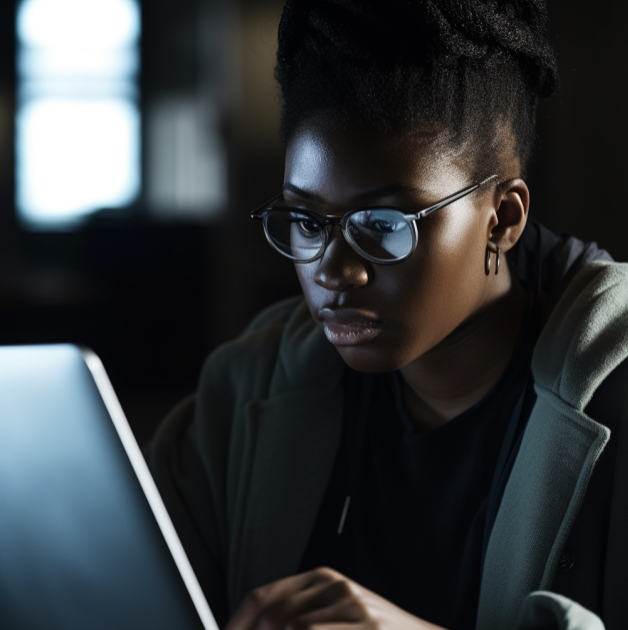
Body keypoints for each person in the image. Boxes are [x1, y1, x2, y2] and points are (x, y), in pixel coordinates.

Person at [147, 1, 628, 629]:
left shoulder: (615, 389)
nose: (333, 270)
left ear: (503, 218)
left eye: (384, 225)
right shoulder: (248, 385)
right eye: (307, 221)